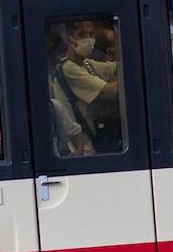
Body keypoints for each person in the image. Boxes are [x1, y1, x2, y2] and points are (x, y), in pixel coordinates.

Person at [49, 19, 123, 153]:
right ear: (69, 39)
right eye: (81, 34)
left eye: (91, 34)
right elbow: (111, 90)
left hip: (97, 140)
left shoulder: (87, 64)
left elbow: (114, 68)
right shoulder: (68, 69)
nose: (88, 39)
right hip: (86, 147)